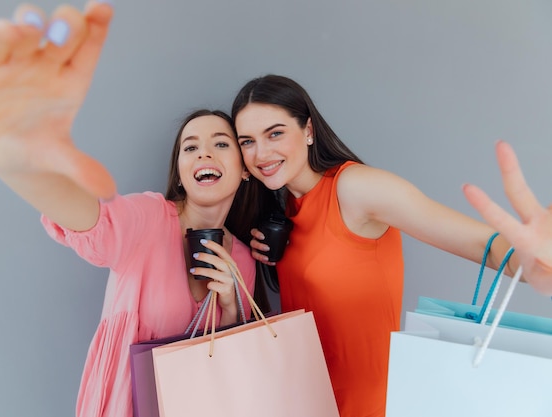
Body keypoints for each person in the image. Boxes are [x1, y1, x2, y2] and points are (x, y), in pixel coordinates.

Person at [0, 2, 275, 417]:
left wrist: (232, 308)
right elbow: (95, 224)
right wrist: (26, 165)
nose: (203, 154)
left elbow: (236, 366)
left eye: (220, 143)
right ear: (179, 172)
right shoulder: (148, 219)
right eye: (190, 147)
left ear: (245, 170)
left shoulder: (244, 260)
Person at [231, 74, 552, 417]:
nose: (261, 153)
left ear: (308, 130)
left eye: (275, 133)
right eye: (247, 141)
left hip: (370, 406)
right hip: (308, 403)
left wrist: (535, 263)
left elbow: (481, 243)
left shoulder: (354, 188)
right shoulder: (284, 214)